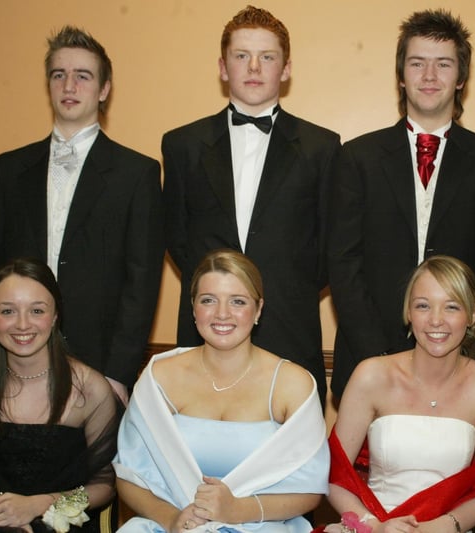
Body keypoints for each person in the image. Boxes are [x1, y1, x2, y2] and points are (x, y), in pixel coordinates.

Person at [328, 8, 475, 401]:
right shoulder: (357, 157)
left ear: (461, 77)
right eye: (418, 63)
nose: (430, 76)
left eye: (443, 64)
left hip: (460, 369)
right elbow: (343, 263)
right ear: (401, 75)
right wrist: (378, 357)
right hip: (369, 362)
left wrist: (466, 352)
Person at [0, 26, 165, 404]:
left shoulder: (137, 174)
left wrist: (118, 374)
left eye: (83, 76)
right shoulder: (9, 169)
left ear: (104, 90)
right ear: (49, 85)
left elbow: (141, 283)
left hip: (97, 366)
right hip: (11, 362)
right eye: (59, 75)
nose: (69, 86)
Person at [162, 6, 341, 405]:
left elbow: (330, 246)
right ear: (223, 67)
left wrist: (282, 287)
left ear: (286, 68)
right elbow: (176, 236)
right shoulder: (181, 145)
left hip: (289, 328)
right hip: (204, 331)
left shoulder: (322, 147)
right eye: (242, 56)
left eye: (267, 56)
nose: (254, 67)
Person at [113, 249, 329, 533]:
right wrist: (171, 519)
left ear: (258, 309)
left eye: (238, 301)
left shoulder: (292, 383)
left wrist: (239, 510)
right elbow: (129, 476)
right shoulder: (160, 377)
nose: (222, 314)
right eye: (208, 301)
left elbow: (311, 488)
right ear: (193, 308)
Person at [326, 255, 475, 533]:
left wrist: (444, 526)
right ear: (408, 313)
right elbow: (333, 476)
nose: (436, 320)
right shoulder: (372, 375)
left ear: (473, 314)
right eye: (423, 306)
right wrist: (374, 525)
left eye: (451, 307)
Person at [0, 257, 122, 532]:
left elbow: (105, 485)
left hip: (62, 523)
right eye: (8, 311)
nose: (22, 324)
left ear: (55, 315)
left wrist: (40, 505)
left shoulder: (91, 388)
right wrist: (3, 508)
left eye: (37, 311)